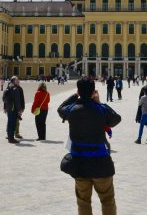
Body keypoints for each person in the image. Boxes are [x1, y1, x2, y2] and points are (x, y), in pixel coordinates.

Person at [58, 78, 121, 215]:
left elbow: (60, 109)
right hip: (101, 164)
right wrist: (99, 102)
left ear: (79, 91)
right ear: (93, 91)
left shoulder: (72, 109)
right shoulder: (100, 109)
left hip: (80, 164)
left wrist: (75, 96)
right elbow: (116, 119)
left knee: (83, 201)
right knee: (107, 200)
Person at [2, 76, 25, 143]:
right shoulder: (15, 89)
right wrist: (19, 110)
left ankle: (10, 137)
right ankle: (11, 138)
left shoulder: (9, 87)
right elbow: (17, 101)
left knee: (10, 123)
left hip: (10, 108)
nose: (19, 81)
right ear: (14, 81)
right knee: (12, 124)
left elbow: (5, 99)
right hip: (13, 109)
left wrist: (6, 107)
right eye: (17, 80)